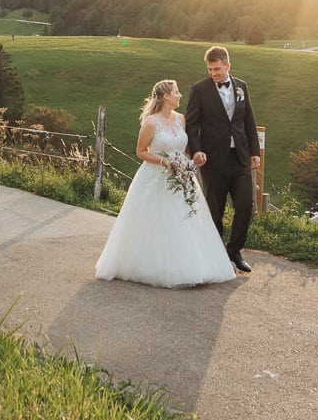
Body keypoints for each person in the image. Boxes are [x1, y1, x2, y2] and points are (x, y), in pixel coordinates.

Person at [94, 79, 239, 288]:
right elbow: (141, 151)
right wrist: (165, 161)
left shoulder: (181, 119)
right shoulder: (151, 122)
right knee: (158, 221)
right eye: (176, 92)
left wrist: (194, 158)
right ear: (165, 97)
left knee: (186, 220)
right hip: (156, 177)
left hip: (182, 176)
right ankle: (155, 265)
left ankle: (193, 265)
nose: (180, 95)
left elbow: (185, 147)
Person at [185, 45, 261, 273]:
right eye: (210, 69)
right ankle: (216, 252)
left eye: (217, 69)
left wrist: (254, 152)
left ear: (228, 66)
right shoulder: (199, 90)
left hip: (239, 156)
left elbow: (248, 120)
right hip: (213, 159)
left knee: (245, 205)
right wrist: (196, 150)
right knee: (215, 209)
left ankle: (234, 250)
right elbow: (192, 123)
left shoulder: (241, 87)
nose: (213, 73)